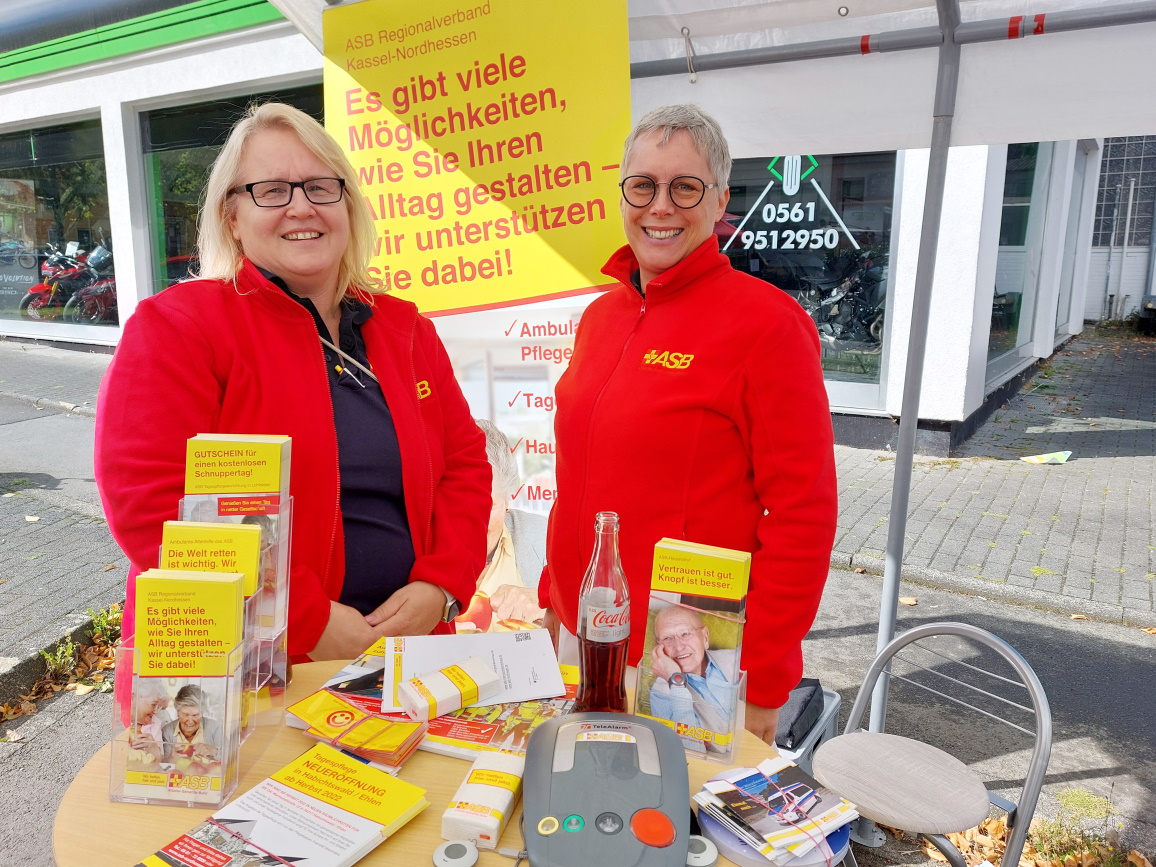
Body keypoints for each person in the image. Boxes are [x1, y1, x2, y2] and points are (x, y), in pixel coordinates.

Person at [95, 102, 491, 663]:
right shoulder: (180, 326)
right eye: (271, 190)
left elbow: (465, 465)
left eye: (320, 187)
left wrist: (442, 587)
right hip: (245, 666)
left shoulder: (405, 330)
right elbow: (152, 506)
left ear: (347, 204)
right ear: (231, 215)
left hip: (407, 655)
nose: (301, 206)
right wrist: (298, 615)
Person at [540, 104, 838, 744]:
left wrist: (761, 679)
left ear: (721, 200)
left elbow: (803, 514)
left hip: (681, 659)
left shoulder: (768, 326)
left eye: (685, 188)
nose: (661, 207)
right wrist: (553, 595)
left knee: (669, 834)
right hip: (582, 635)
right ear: (623, 195)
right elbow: (579, 479)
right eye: (643, 186)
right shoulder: (601, 318)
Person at [455, 420, 547, 631]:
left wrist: (546, 603)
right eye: (458, 506)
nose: (473, 522)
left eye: (487, 507)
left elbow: (592, 609)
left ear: (507, 500)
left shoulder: (543, 538)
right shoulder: (409, 546)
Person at [647, 606, 738, 752]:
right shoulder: (661, 692)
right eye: (667, 638)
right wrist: (676, 683)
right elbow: (691, 750)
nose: (678, 646)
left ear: (705, 637)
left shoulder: (736, 659)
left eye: (685, 634)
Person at [162, 685, 223, 762]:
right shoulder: (167, 731)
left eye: (195, 715)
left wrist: (214, 751)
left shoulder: (215, 728)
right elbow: (163, 766)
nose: (190, 721)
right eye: (185, 715)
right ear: (178, 713)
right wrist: (170, 759)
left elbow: (231, 758)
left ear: (202, 712)